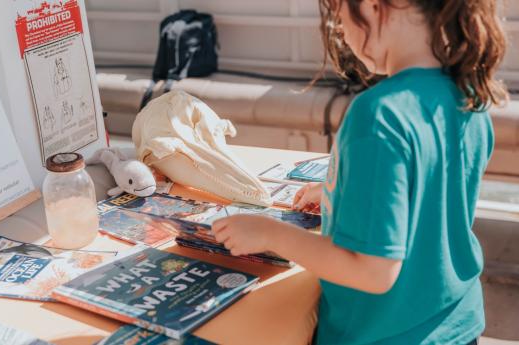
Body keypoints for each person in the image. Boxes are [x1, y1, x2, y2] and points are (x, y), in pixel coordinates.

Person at [212, 0, 508, 344]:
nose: (341, 33)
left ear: (372, 5)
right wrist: (341, 192)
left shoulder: (378, 115)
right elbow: (428, 195)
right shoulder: (469, 94)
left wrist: (270, 233)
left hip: (382, 335)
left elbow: (373, 271)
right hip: (457, 324)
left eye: (338, 16)